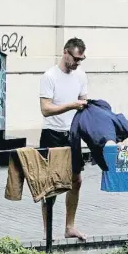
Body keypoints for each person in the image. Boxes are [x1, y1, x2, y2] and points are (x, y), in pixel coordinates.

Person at [38, 37, 88, 240]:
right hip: (52, 134)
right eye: (75, 58)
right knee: (51, 185)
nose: (77, 63)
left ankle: (70, 227)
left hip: (72, 134)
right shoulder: (50, 76)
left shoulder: (81, 75)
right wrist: (71, 105)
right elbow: (45, 109)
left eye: (81, 60)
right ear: (65, 52)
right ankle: (47, 231)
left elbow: (84, 103)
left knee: (76, 180)